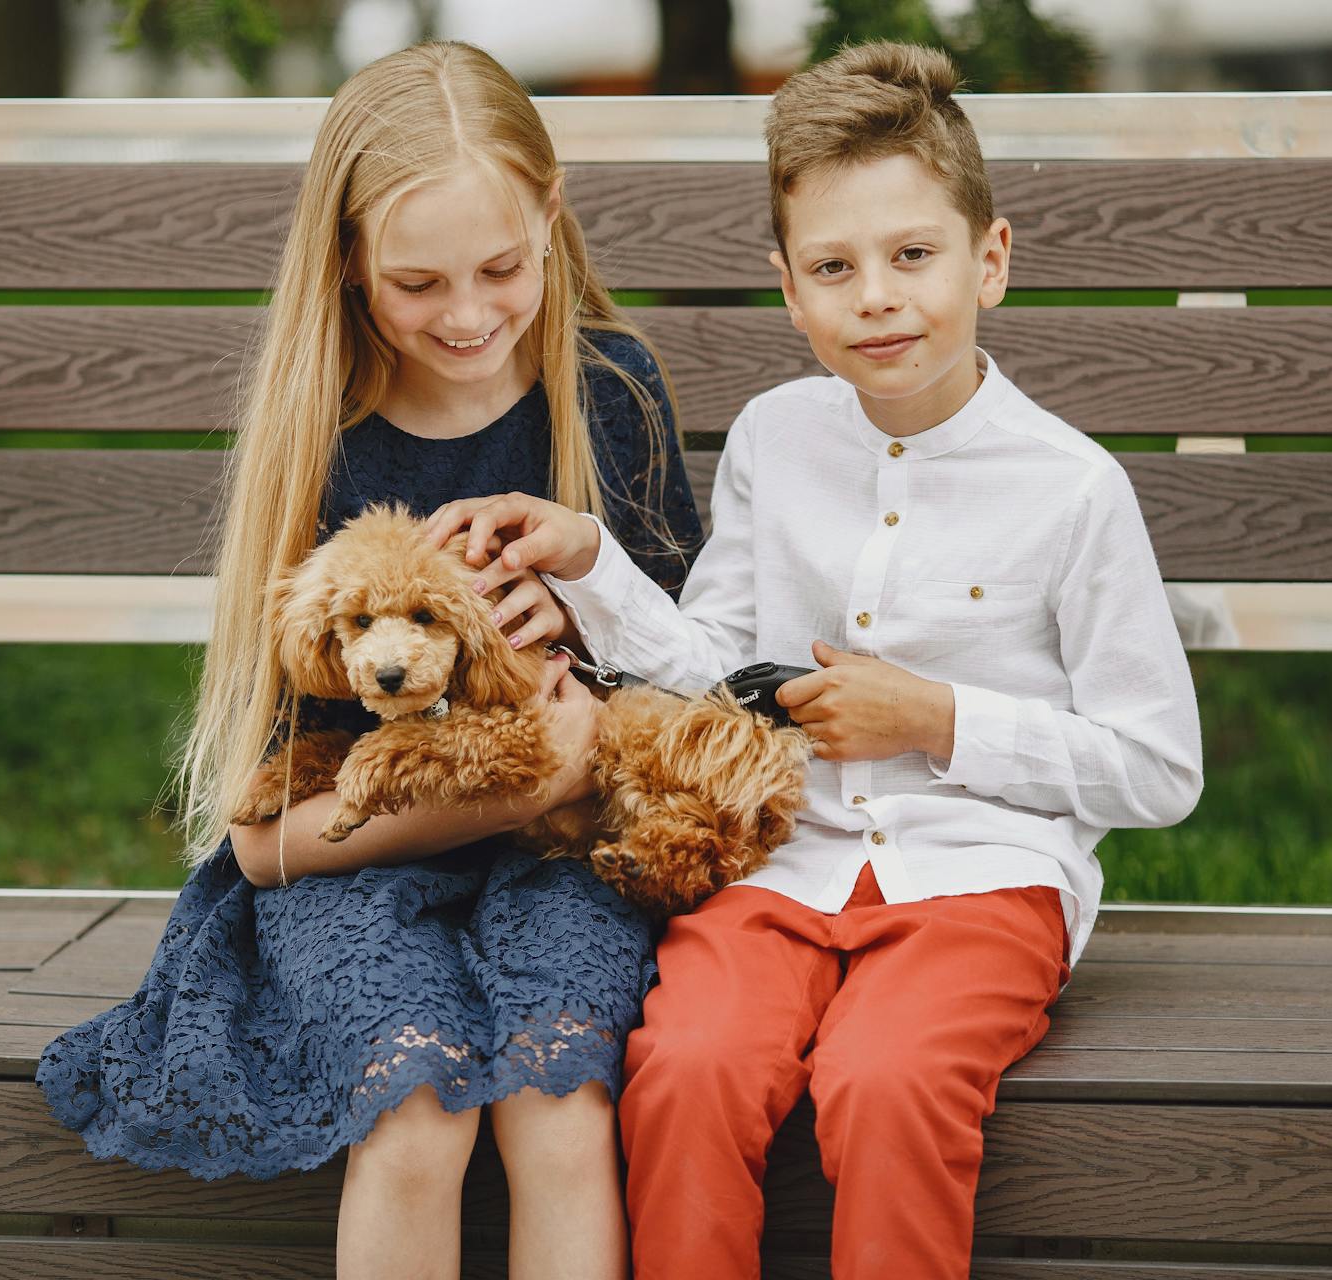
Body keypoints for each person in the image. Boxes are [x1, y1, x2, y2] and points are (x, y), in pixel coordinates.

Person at [422, 42, 1203, 1279]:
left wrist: (937, 717)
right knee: (684, 1068)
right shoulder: (778, 441)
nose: (878, 297)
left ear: (989, 259)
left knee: (884, 1080)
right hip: (781, 866)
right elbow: (714, 671)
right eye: (835, 268)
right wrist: (588, 563)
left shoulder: (1074, 490)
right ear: (789, 290)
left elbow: (1159, 767)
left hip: (980, 881)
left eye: (913, 255)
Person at [34, 41, 701, 1280]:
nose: (466, 313)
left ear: (551, 216)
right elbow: (264, 835)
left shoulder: (609, 393)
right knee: (413, 1104)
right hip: (355, 859)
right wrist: (515, 783)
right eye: (417, 282)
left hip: (570, 855)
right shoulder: (321, 435)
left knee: (561, 1100)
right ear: (347, 261)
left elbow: (696, 677)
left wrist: (591, 664)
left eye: (500, 267)